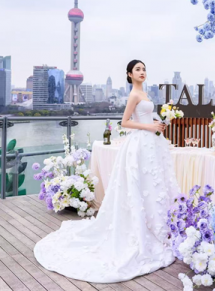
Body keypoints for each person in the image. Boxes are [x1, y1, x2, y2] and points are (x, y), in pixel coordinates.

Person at [34, 59, 180, 283]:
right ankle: (141, 230)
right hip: (139, 142)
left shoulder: (145, 94)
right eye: (137, 69)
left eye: (144, 69)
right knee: (140, 183)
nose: (142, 72)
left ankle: (156, 227)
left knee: (152, 184)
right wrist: (149, 126)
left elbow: (145, 117)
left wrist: (158, 123)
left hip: (150, 143)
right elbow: (125, 122)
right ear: (129, 74)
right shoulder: (134, 95)